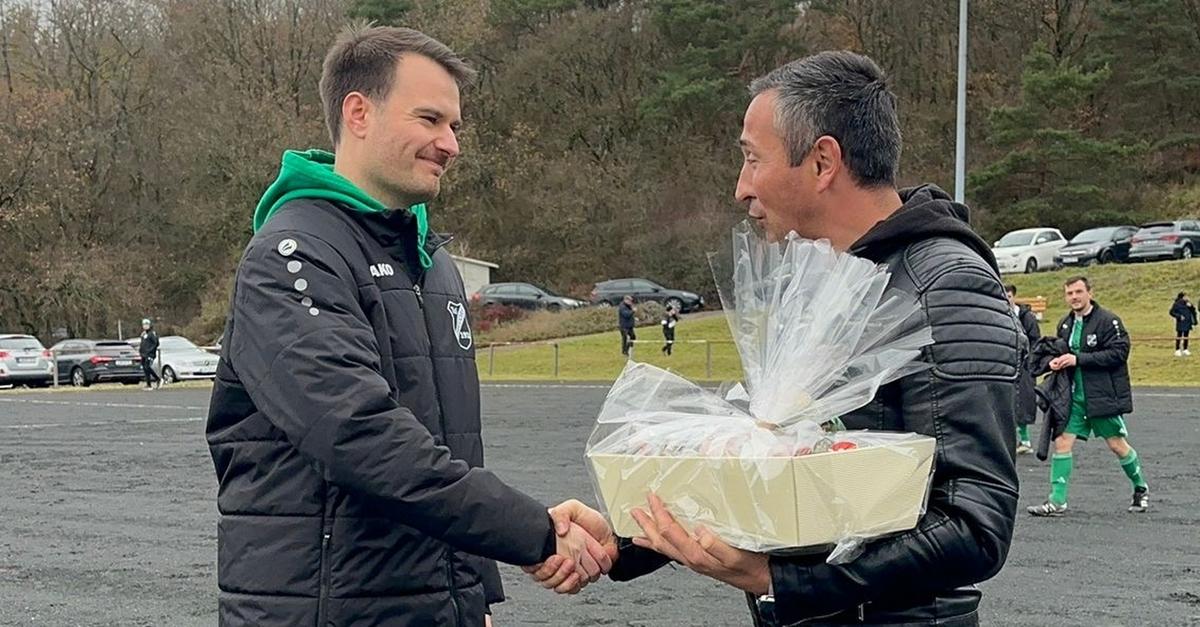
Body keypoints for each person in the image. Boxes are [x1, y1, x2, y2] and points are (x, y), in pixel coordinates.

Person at [535, 50, 1020, 627]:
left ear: (822, 162)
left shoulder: (945, 286)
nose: (741, 188)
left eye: (751, 158)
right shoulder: (815, 279)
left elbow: (974, 524)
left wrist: (782, 582)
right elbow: (775, 472)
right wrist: (629, 535)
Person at [205, 25, 614, 626]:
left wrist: (472, 598)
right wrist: (535, 532)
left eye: (455, 126)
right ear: (358, 113)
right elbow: (362, 437)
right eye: (430, 119)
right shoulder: (293, 257)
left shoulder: (431, 262)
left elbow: (449, 454)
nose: (451, 143)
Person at [1028, 277, 1149, 517]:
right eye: (1069, 293)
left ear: (1089, 293)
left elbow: (1119, 353)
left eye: (1078, 292)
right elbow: (1060, 352)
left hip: (1101, 397)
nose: (1074, 297)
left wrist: (1078, 359)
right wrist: (1054, 362)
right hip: (1074, 399)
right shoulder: (1065, 324)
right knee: (1062, 442)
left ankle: (1140, 487)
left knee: (1117, 445)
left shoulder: (1108, 321)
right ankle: (1057, 501)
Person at [1007, 284, 1041, 454]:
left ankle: (1025, 440)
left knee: (1024, 401)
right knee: (1007, 402)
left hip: (1026, 364)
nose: (1006, 299)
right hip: (1007, 363)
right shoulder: (999, 315)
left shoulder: (1027, 317)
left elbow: (1035, 340)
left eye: (1008, 296)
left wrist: (1030, 359)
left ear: (1014, 296)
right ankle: (1011, 442)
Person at [1170, 291, 1196, 356]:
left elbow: (1193, 311)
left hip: (1188, 322)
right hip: (1181, 322)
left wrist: (1191, 306)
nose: (1187, 297)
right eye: (1186, 296)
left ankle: (1185, 349)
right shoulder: (1176, 304)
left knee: (1186, 336)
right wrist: (1179, 316)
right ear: (1183, 297)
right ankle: (1177, 350)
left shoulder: (1188, 303)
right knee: (1179, 336)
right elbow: (1172, 312)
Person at [138, 318, 161, 391]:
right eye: (144, 324)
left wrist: (149, 351)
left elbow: (156, 343)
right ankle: (148, 384)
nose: (145, 326)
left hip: (150, 354)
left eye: (147, 324)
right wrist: (141, 351)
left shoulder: (152, 333)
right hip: (144, 354)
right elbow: (143, 344)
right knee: (145, 368)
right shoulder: (144, 334)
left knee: (147, 367)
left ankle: (158, 379)